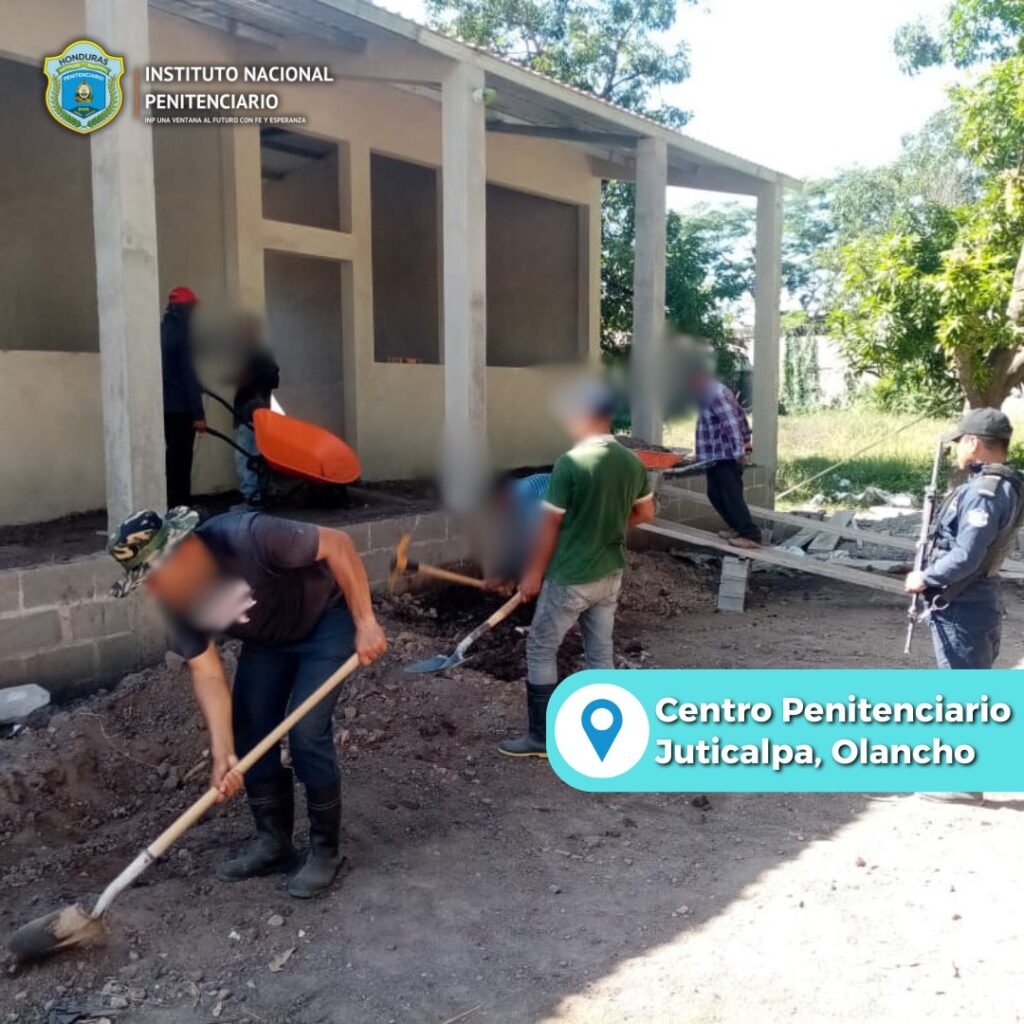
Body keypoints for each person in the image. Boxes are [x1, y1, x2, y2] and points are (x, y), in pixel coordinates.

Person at [107, 506, 387, 897]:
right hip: (269, 642)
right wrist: (223, 753)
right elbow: (207, 672)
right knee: (249, 729)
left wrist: (366, 622)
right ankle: (275, 845)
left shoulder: (249, 535)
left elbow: (339, 544)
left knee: (306, 732)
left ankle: (326, 852)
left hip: (326, 622)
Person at [499, 383, 655, 758]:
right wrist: (607, 529)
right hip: (610, 574)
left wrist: (532, 575)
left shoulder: (571, 464)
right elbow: (645, 513)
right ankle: (614, 733)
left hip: (571, 577)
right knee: (599, 652)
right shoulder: (632, 462)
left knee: (540, 647)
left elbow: (550, 525)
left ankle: (541, 738)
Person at [904, 408, 1024, 671]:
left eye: (959, 442)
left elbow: (967, 555)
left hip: (964, 603)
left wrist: (925, 578)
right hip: (973, 598)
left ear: (972, 442)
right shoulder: (1003, 484)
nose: (956, 449)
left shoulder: (984, 493)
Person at [694, 367, 759, 549]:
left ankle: (751, 535)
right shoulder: (711, 392)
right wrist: (746, 439)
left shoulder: (714, 393)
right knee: (714, 494)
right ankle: (736, 527)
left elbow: (731, 424)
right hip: (716, 455)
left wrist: (739, 451)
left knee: (731, 496)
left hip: (726, 454)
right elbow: (740, 416)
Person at [161, 287, 206, 507]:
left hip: (165, 407)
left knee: (172, 458)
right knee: (182, 459)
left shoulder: (161, 330)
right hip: (182, 408)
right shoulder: (184, 334)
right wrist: (198, 415)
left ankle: (171, 504)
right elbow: (188, 375)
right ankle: (182, 507)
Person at [232, 346, 280, 506]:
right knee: (259, 453)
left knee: (245, 455)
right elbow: (274, 379)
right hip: (258, 410)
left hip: (249, 410)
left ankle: (251, 496)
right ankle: (263, 491)